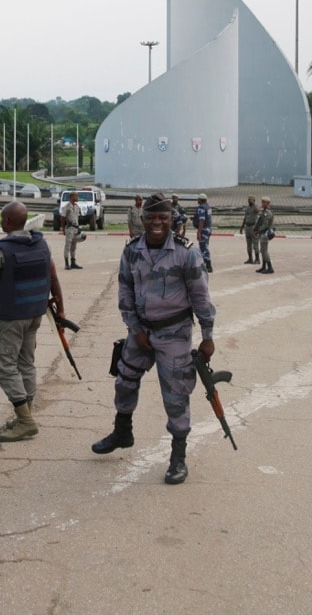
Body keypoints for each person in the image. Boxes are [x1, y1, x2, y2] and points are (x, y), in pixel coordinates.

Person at [91, 193, 216, 485]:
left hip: (174, 334)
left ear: (172, 220)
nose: (157, 223)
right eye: (151, 217)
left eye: (163, 217)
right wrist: (135, 330)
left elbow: (201, 297)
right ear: (143, 219)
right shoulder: (132, 250)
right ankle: (123, 432)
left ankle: (178, 457)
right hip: (141, 332)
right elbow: (124, 291)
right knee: (124, 379)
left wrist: (208, 337)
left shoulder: (187, 253)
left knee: (175, 395)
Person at [0, 201, 66, 442]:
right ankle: (27, 413)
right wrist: (62, 309)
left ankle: (25, 421)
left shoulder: (2, 249)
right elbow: (53, 277)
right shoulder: (41, 244)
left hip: (12, 317)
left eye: (2, 219)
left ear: (9, 222)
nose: (0, 222)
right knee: (26, 363)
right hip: (35, 314)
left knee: (5, 365)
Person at [60, 191, 83, 270]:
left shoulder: (76, 207)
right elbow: (63, 218)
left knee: (74, 246)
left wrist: (78, 227)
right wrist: (63, 229)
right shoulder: (66, 207)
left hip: (75, 228)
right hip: (69, 228)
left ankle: (73, 262)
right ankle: (67, 264)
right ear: (72, 197)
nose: (77, 198)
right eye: (76, 196)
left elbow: (77, 218)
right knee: (68, 246)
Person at [193, 193, 214, 273]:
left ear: (201, 200)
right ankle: (206, 265)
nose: (197, 200)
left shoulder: (201, 208)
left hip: (204, 230)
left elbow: (202, 220)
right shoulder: (208, 207)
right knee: (205, 246)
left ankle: (208, 265)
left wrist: (199, 232)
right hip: (208, 229)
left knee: (203, 247)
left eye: (198, 199)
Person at [254, 197, 275, 274]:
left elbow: (265, 225)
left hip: (265, 233)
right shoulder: (264, 212)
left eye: (264, 202)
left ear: (267, 203)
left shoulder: (268, 213)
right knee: (262, 251)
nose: (262, 203)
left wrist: (258, 230)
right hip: (262, 233)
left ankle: (270, 268)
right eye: (262, 201)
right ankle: (264, 267)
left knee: (264, 251)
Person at [238, 194, 259, 265]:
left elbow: (257, 211)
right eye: (248, 200)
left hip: (253, 227)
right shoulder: (247, 208)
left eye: (251, 200)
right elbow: (245, 217)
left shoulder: (255, 207)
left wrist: (254, 204)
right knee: (248, 244)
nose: (249, 201)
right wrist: (242, 227)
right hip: (247, 226)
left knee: (255, 243)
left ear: (254, 201)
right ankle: (250, 258)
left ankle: (257, 259)